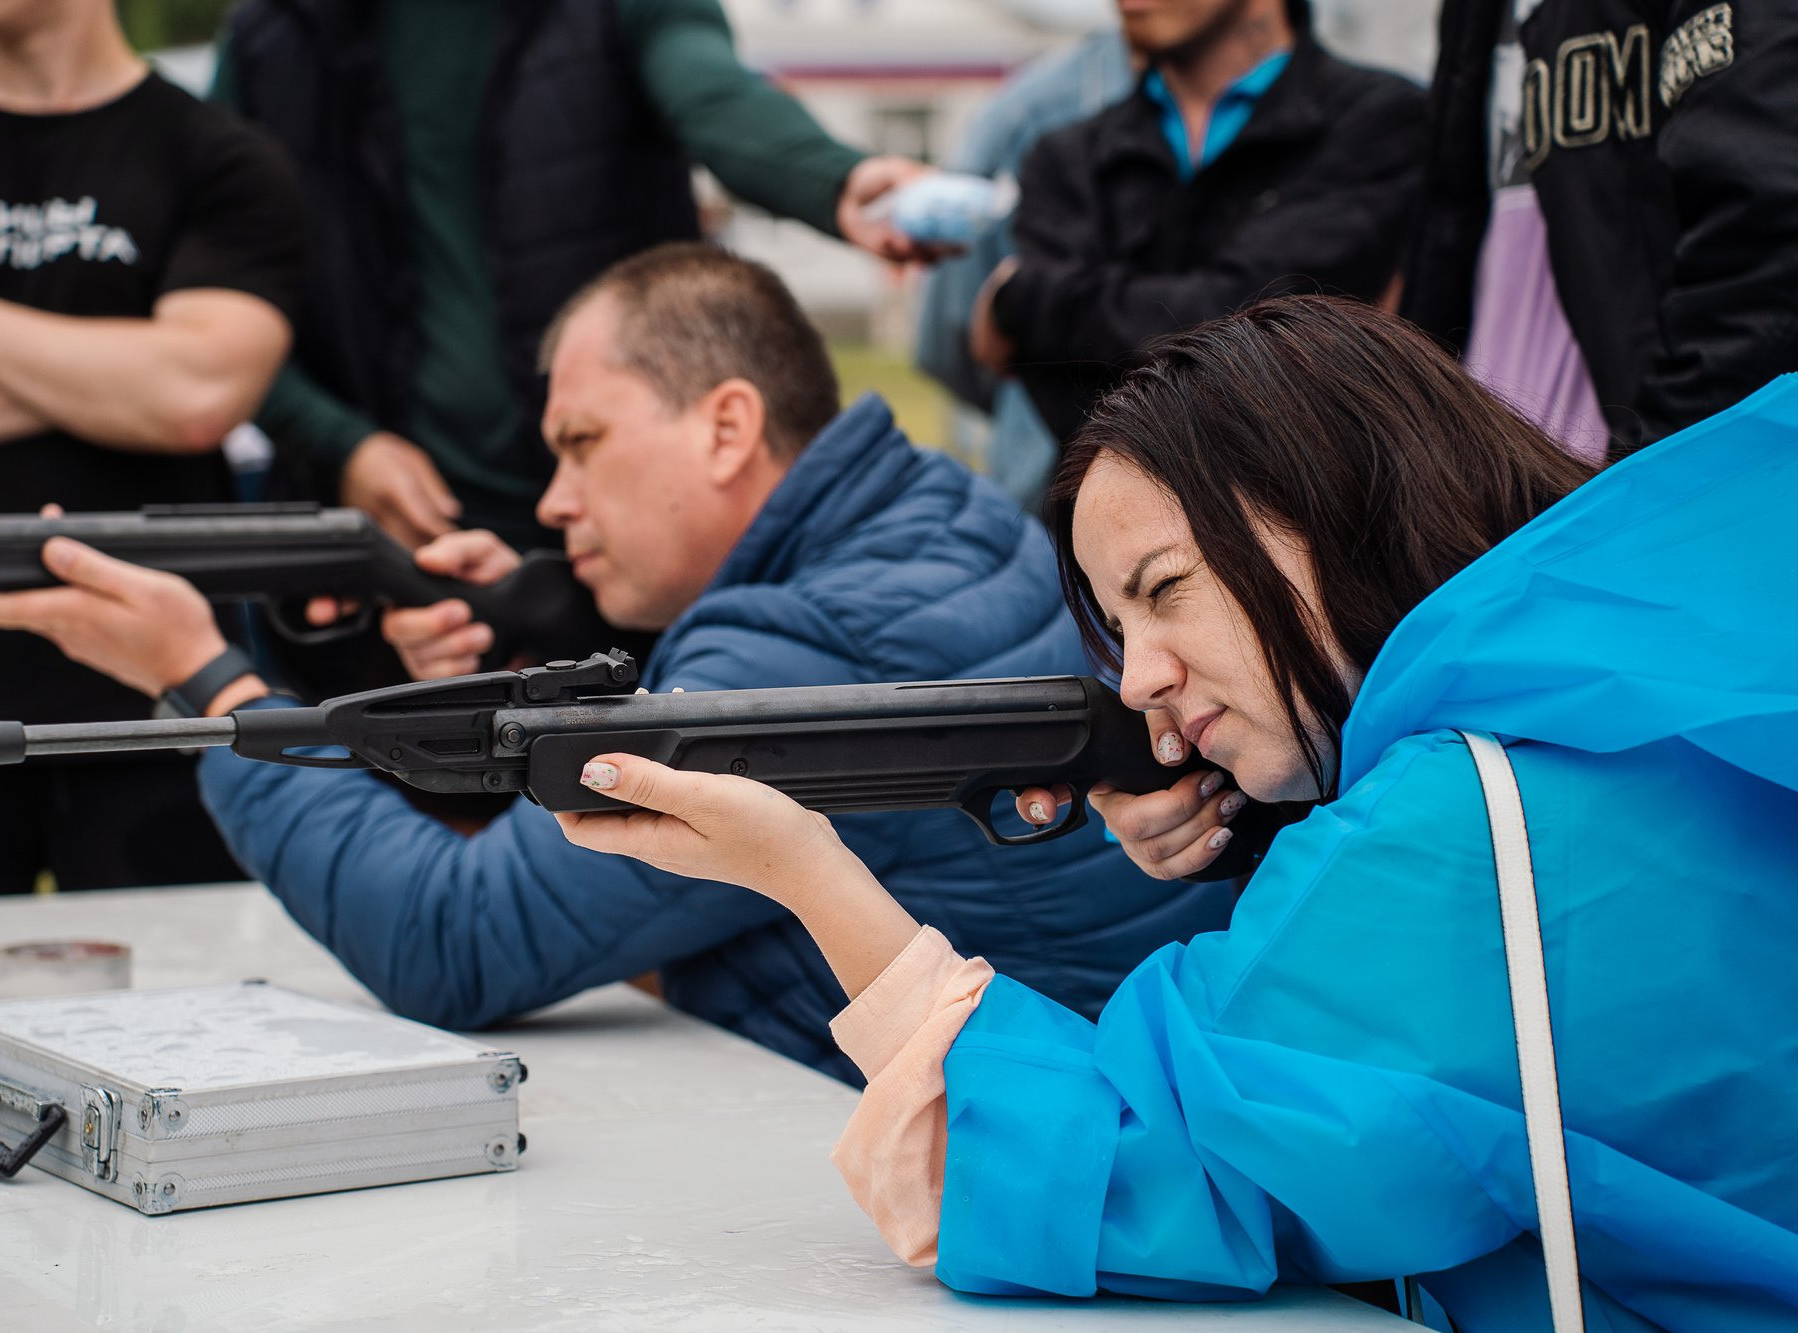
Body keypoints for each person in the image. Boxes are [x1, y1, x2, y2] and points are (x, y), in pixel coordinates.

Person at [554, 296, 1798, 1328]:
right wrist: (1273, 829)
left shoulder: (1448, 834)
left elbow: (1110, 1173)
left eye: (1165, 590)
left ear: (1326, 500)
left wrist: (807, 874)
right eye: (1117, 624)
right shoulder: (1640, 640)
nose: (1138, 677)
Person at [0, 243, 1244, 1083]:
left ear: (728, 425)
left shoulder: (792, 639)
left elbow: (451, 942)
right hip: (1083, 1088)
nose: (551, 499)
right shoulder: (940, 516)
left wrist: (204, 681)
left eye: (583, 441)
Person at [0, 0, 304, 903]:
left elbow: (195, 397)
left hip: (156, 707)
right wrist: (111, 375)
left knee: (173, 1031)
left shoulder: (218, 156)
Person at [210, 0, 935, 554]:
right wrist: (340, 446)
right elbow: (218, 305)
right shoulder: (274, 32)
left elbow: (713, 94)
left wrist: (840, 182)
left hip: (608, 523)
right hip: (388, 530)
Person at [975, 0, 1427, 446]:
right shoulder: (1066, 157)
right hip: (1107, 504)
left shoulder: (1377, 119)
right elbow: (1062, 395)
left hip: (1310, 507)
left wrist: (1020, 298)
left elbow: (1266, 329)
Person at [1403, 0, 1798, 460]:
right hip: (1498, 482)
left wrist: (1652, 470)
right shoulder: (1474, 18)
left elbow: (1767, 234)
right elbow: (1453, 235)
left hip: (1633, 478)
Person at [913, 26, 1134, 514]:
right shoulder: (1035, 113)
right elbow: (957, 326)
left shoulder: (1024, 106)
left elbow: (944, 330)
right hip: (1054, 486)